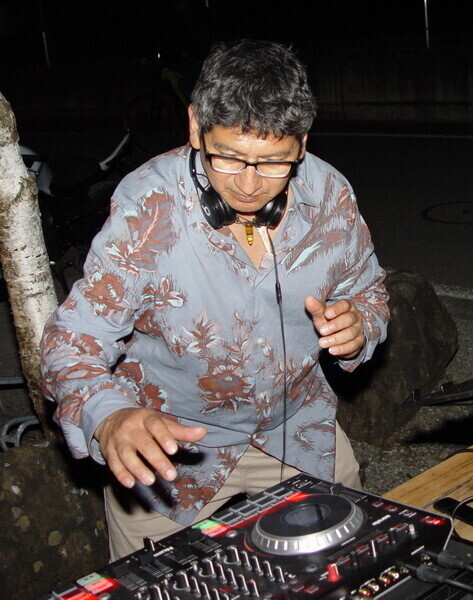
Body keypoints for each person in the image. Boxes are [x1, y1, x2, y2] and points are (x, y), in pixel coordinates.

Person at [39, 39, 389, 560]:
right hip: (169, 448)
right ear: (194, 126)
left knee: (353, 566)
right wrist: (109, 416)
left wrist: (362, 323)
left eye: (273, 162)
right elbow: (72, 339)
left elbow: (370, 290)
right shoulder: (148, 206)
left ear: (301, 143)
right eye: (227, 156)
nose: (248, 185)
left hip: (300, 430)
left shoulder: (330, 195)